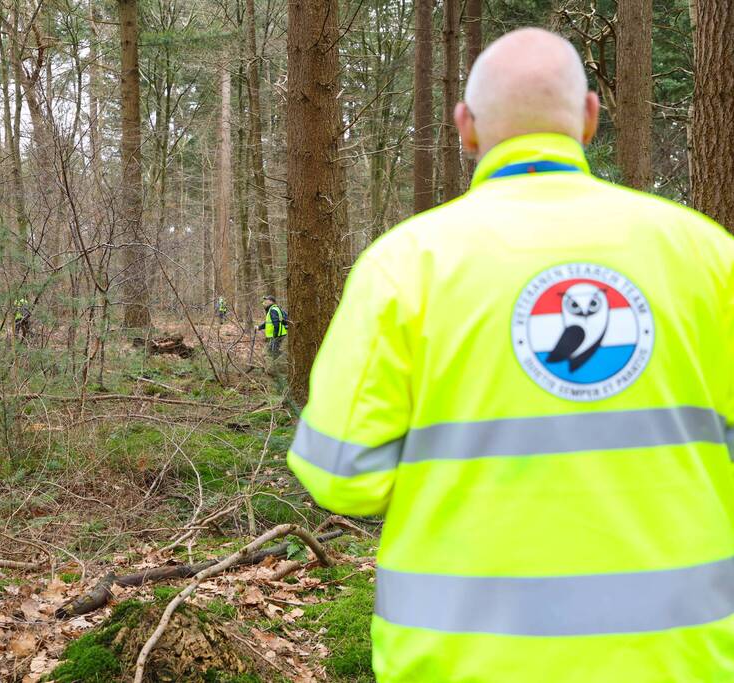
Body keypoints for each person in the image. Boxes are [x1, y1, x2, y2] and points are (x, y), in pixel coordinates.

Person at [287, 28, 734, 683]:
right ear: (588, 118)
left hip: (462, 660)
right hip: (679, 657)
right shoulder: (704, 255)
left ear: (464, 127)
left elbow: (342, 477)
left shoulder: (406, 264)